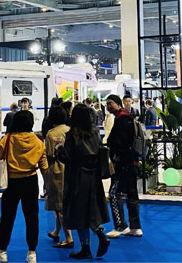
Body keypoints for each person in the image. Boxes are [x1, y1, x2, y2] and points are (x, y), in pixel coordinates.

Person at [0, 110, 48, 263]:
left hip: (11, 183)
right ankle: (32, 253)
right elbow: (44, 165)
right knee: (32, 218)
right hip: (30, 182)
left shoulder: (7, 139)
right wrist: (47, 184)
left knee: (7, 217)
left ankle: (2, 251)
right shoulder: (37, 141)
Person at [56, 104, 111, 259]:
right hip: (93, 176)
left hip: (77, 176)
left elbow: (67, 157)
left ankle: (85, 247)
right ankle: (99, 234)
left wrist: (59, 149)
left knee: (79, 212)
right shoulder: (95, 131)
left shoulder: (72, 134)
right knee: (91, 209)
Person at [105, 95, 142, 238]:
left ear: (118, 104)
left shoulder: (122, 120)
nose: (108, 106)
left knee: (114, 193)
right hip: (132, 162)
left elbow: (119, 143)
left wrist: (115, 159)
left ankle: (120, 226)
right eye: (107, 104)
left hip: (123, 164)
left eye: (110, 103)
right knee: (132, 194)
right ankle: (135, 227)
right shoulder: (128, 118)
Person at [44, 106, 74, 248]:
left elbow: (49, 154)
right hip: (70, 169)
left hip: (56, 170)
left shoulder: (51, 134)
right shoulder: (70, 130)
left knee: (59, 204)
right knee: (62, 202)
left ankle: (68, 238)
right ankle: (56, 231)